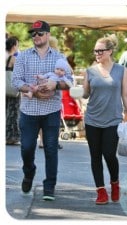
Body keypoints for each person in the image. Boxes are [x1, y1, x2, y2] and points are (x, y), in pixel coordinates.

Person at [12, 20, 73, 201]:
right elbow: (16, 81)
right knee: (27, 147)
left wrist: (55, 84)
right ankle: (29, 173)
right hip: (29, 109)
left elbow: (69, 81)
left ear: (47, 35)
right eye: (33, 34)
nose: (35, 36)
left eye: (39, 33)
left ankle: (49, 187)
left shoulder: (59, 57)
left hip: (51, 110)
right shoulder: (22, 56)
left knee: (51, 148)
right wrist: (32, 90)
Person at [83, 35, 127, 205]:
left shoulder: (121, 70)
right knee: (95, 156)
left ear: (110, 51)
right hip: (92, 119)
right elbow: (85, 93)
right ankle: (101, 191)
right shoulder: (90, 71)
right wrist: (78, 91)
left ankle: (115, 183)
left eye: (100, 50)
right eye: (95, 51)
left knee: (109, 154)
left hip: (113, 119)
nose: (97, 53)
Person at [6, 36, 20, 145]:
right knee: (13, 113)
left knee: (6, 112)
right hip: (12, 89)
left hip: (5, 88)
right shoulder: (13, 58)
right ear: (14, 46)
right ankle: (12, 137)